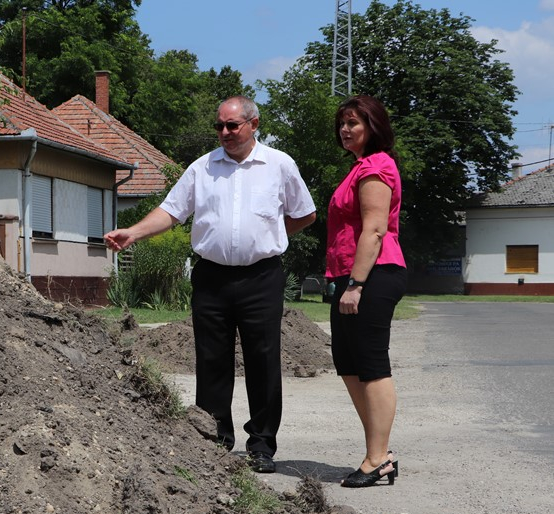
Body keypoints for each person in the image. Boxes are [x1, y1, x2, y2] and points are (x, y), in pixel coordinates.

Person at [104, 95, 316, 473]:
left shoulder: (279, 164)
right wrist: (133, 232)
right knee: (212, 359)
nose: (224, 132)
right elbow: (171, 211)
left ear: (253, 124)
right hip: (212, 277)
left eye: (232, 125)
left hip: (261, 276)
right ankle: (214, 440)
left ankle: (262, 445)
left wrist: (271, 235)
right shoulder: (202, 168)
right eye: (219, 126)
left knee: (263, 360)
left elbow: (305, 214)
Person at [326, 95, 407, 488]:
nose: (345, 129)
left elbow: (374, 230)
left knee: (372, 364)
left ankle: (376, 458)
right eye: (342, 123)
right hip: (350, 274)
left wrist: (356, 285)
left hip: (374, 274)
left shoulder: (376, 167)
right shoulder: (358, 167)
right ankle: (381, 452)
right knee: (348, 364)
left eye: (353, 123)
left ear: (373, 127)